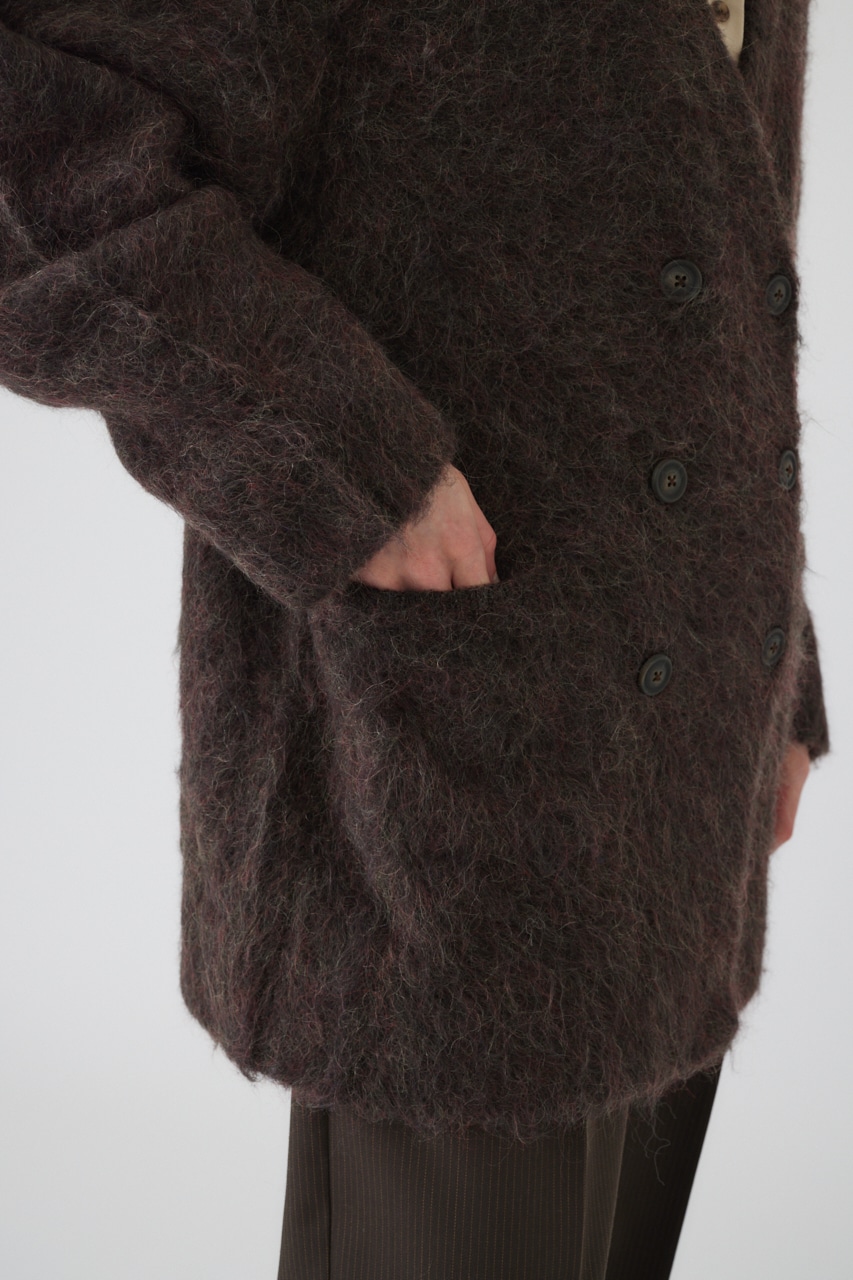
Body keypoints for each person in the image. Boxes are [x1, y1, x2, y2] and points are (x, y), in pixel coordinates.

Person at [0, 1, 828, 1276]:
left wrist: (775, 662)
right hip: (440, 798)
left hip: (679, 788)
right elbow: (35, 152)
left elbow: (701, 243)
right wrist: (336, 457)